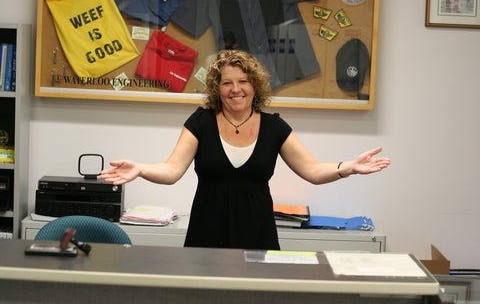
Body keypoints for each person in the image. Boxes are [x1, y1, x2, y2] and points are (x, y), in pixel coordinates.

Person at [100, 50, 391, 250]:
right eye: (227, 82)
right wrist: (140, 169)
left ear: (255, 85)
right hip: (207, 232)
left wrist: (347, 168)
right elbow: (172, 169)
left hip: (257, 233)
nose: (235, 89)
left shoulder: (274, 127)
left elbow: (313, 170)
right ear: (217, 88)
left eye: (243, 81)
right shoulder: (200, 122)